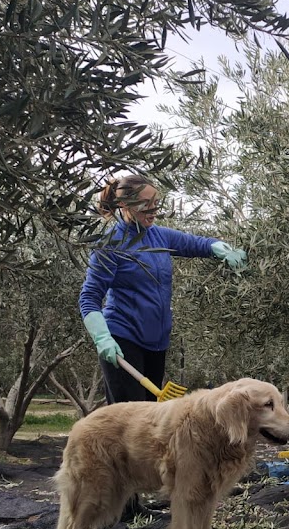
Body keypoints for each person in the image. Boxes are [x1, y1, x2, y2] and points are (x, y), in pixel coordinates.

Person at [79, 173, 247, 405]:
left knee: (150, 421)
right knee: (130, 423)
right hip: (123, 340)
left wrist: (219, 247)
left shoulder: (159, 235)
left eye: (155, 203)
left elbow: (194, 243)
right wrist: (102, 337)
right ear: (124, 205)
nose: (153, 210)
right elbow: (89, 297)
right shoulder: (109, 245)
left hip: (156, 342)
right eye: (145, 204)